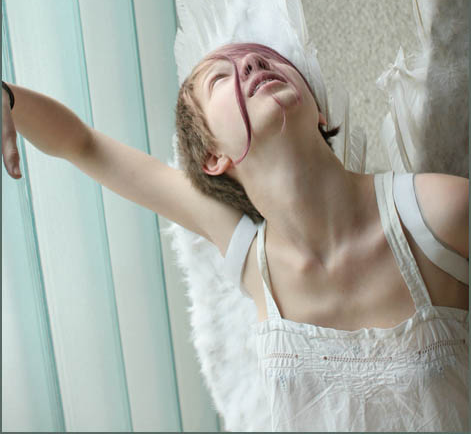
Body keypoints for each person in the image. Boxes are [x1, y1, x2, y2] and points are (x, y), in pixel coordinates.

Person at [2, 37, 468, 431]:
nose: (251, 62)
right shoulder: (253, 262)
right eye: (219, 78)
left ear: (321, 113)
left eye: (263, 58)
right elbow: (84, 144)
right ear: (212, 157)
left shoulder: (438, 214)